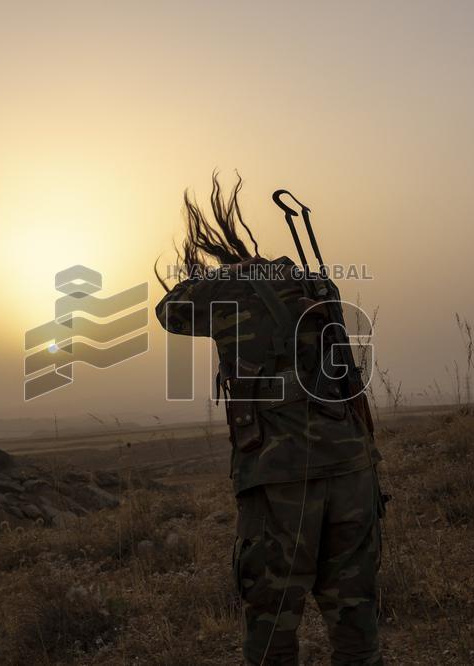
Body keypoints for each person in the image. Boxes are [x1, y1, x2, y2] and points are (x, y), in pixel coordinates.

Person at [155, 174, 385, 665]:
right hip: (352, 467)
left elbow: (168, 310)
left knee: (273, 620)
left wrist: (226, 276)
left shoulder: (225, 291)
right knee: (355, 615)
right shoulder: (316, 282)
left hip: (281, 479)